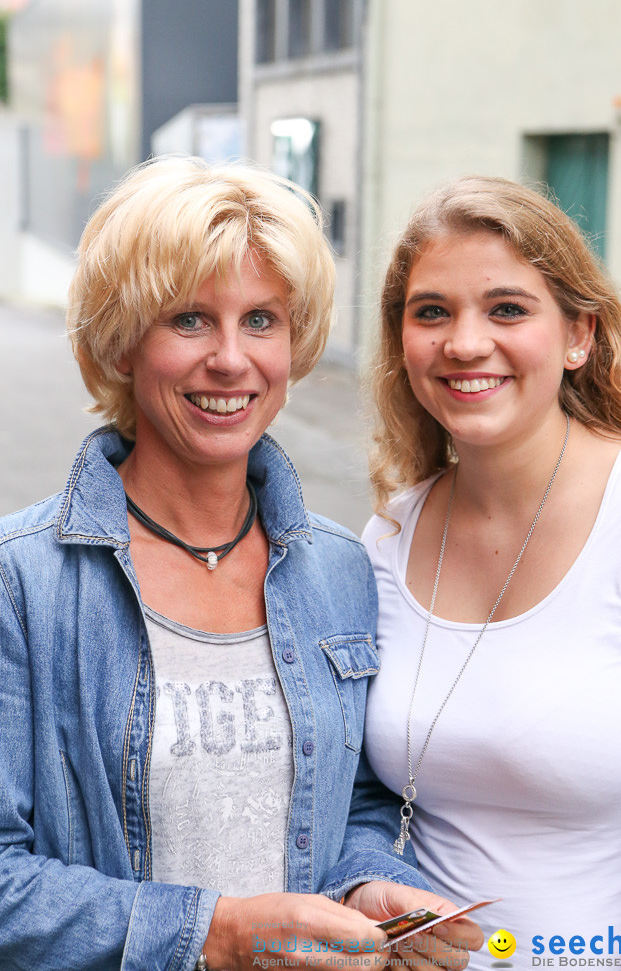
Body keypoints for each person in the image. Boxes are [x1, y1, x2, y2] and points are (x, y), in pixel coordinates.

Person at [0, 158, 482, 971]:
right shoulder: (24, 581)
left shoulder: (336, 567)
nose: (231, 360)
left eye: (261, 320)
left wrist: (370, 884)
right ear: (121, 345)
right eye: (189, 320)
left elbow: (356, 802)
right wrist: (211, 935)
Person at [355, 176, 621, 969]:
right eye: (432, 312)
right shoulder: (389, 534)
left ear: (579, 334)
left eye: (508, 308)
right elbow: (370, 805)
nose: (464, 342)